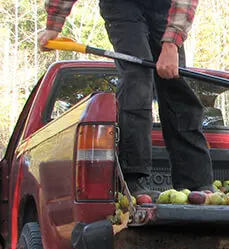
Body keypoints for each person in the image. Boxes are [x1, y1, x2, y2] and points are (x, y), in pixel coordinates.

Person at [38, 0, 214, 197]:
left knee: (174, 79)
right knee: (137, 77)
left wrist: (171, 43)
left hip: (166, 6)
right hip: (121, 5)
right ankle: (132, 180)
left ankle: (197, 182)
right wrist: (53, 25)